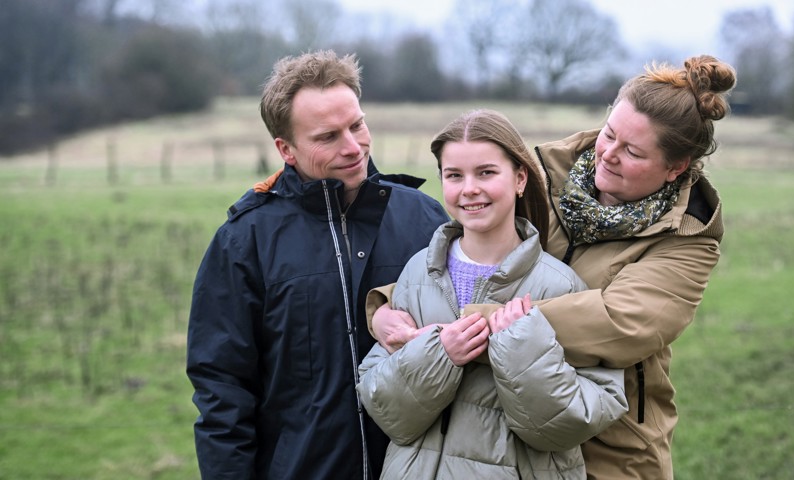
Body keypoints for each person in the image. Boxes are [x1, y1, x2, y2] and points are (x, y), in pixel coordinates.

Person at [368, 55, 736, 479]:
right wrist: (386, 306)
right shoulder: (546, 179)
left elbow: (618, 323)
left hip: (612, 447)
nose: (608, 155)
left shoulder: (687, 239)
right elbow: (469, 254)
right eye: (609, 134)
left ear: (675, 167)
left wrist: (468, 326)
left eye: (632, 151)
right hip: (506, 437)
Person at [185, 50, 449, 480]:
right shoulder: (243, 241)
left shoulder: (425, 218)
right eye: (328, 137)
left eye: (357, 125)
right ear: (286, 149)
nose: (353, 147)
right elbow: (222, 394)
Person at [356, 109, 629, 478]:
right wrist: (439, 355)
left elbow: (574, 424)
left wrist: (520, 352)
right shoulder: (417, 273)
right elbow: (385, 410)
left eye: (486, 172)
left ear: (519, 178)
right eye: (454, 175)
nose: (469, 188)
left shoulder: (561, 286)